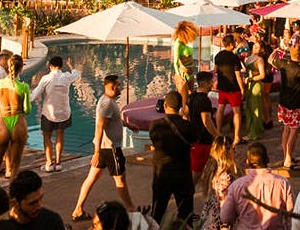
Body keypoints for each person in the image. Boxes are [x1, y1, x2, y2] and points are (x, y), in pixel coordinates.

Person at [73, 74, 135, 220]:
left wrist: (128, 125)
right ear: (112, 86)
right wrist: (96, 152)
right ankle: (131, 209)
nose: (121, 87)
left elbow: (114, 119)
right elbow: (100, 127)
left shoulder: (107, 101)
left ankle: (78, 210)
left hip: (103, 148)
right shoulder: (107, 103)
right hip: (110, 149)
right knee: (120, 180)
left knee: (92, 178)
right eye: (119, 85)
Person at [147, 91, 196, 226]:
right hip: (182, 174)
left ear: (165, 105)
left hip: (161, 174)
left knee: (157, 212)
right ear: (180, 106)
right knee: (186, 214)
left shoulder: (154, 125)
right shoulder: (188, 127)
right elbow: (194, 139)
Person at [219, 142, 294, 230]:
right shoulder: (283, 183)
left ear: (247, 161)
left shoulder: (236, 186)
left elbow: (226, 218)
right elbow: (291, 213)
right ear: (268, 159)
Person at [30, 55, 80, 172]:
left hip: (49, 113)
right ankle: (58, 163)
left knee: (47, 137)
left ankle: (49, 163)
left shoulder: (46, 78)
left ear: (50, 66)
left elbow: (34, 96)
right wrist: (71, 65)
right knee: (60, 135)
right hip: (64, 113)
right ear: (61, 66)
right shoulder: (67, 77)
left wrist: (23, 96)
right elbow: (76, 75)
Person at [0, 54, 31, 184]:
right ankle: (13, 197)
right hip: (18, 122)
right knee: (15, 164)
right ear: (20, 69)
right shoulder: (23, 86)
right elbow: (28, 109)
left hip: (3, 121)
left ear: (7, 67)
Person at [269, 42, 300, 169]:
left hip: (284, 101)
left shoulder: (284, 63)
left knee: (286, 128)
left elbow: (270, 60)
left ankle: (286, 155)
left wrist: (275, 52)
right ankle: (288, 159)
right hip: (295, 103)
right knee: (294, 130)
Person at [0, 170, 65, 230]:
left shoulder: (51, 221)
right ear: (15, 203)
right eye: (32, 203)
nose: (39, 206)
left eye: (41, 198)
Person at [199, 135, 239, 230]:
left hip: (210, 217)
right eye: (233, 148)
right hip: (220, 222)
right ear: (227, 152)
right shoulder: (226, 177)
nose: (235, 151)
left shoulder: (213, 169)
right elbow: (224, 204)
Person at [214, 32, 246, 146]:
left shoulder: (218, 56)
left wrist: (217, 81)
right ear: (232, 44)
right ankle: (236, 137)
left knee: (220, 109)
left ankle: (217, 132)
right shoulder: (234, 58)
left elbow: (215, 71)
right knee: (236, 112)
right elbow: (238, 75)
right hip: (233, 88)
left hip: (222, 87)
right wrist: (242, 88)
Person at [187, 71, 218, 179]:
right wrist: (218, 135)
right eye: (211, 81)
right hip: (203, 139)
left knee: (196, 168)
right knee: (198, 171)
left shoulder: (192, 96)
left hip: (194, 137)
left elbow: (185, 113)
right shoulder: (204, 100)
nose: (213, 83)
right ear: (205, 83)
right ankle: (189, 192)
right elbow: (206, 121)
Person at [243, 40, 269, 141]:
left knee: (255, 108)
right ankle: (251, 130)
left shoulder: (259, 60)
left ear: (261, 50)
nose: (254, 48)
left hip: (256, 84)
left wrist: (251, 78)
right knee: (249, 107)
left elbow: (262, 75)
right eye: (254, 46)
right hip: (249, 84)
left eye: (257, 47)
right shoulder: (249, 58)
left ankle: (254, 132)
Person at [171, 21, 198, 103]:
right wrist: (179, 77)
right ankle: (183, 115)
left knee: (191, 98)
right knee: (184, 101)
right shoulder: (178, 43)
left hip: (190, 74)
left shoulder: (183, 43)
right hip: (183, 74)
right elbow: (175, 62)